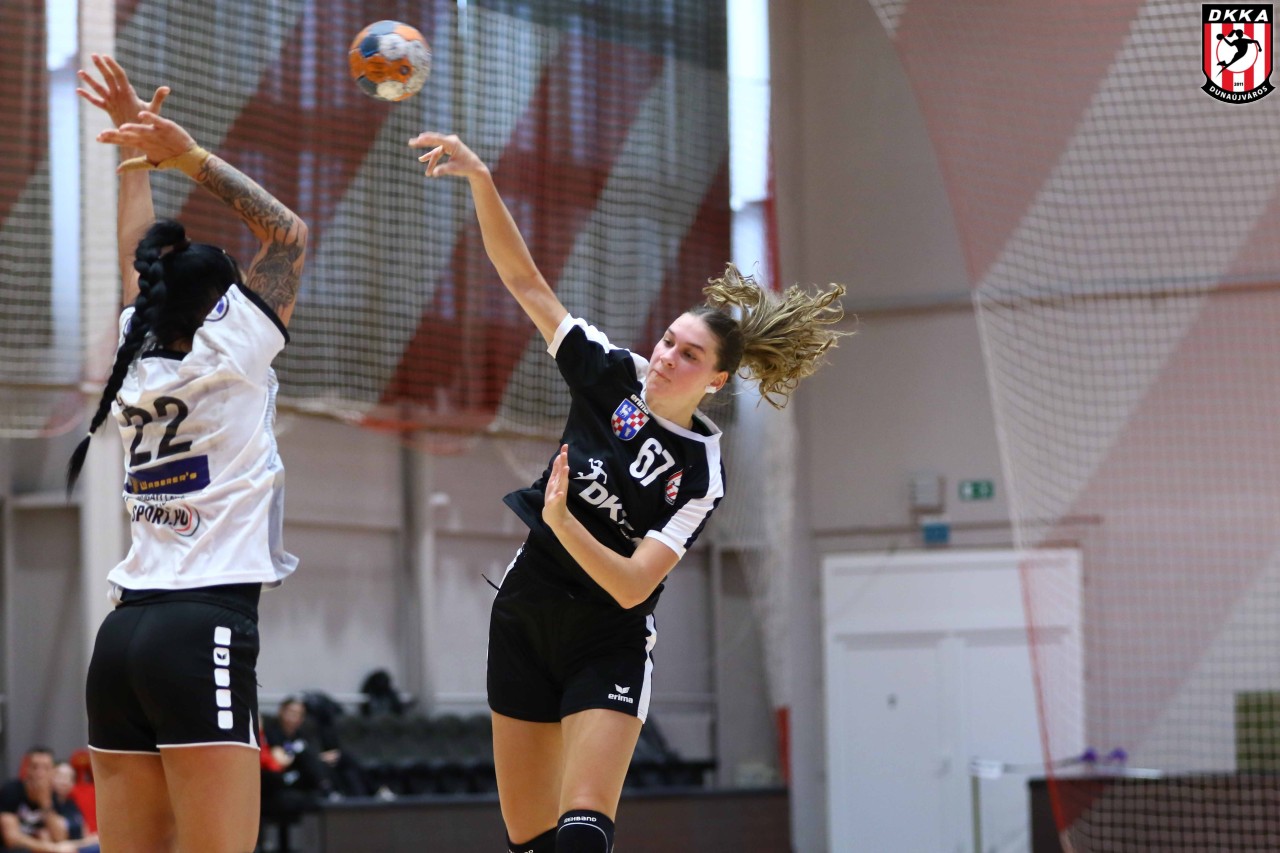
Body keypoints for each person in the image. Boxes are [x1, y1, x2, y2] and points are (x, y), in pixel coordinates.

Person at [408, 132, 846, 853]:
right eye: (669, 340)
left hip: (606, 637)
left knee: (583, 830)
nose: (667, 356)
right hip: (526, 613)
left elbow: (632, 584)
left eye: (689, 354)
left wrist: (561, 520)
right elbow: (526, 283)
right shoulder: (611, 372)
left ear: (716, 380)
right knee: (529, 840)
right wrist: (482, 178)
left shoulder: (701, 472)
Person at [68, 54, 308, 853]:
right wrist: (188, 156)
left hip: (121, 640)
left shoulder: (135, 359)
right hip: (200, 628)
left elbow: (136, 259)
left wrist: (136, 154)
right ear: (224, 305)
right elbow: (288, 233)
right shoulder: (234, 351)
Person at [0, 747, 74, 852]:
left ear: (52, 772)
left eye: (46, 768)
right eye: (35, 767)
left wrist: (45, 803)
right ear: (26, 769)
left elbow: (60, 837)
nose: (40, 773)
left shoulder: (53, 795)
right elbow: (11, 838)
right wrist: (51, 848)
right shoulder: (11, 791)